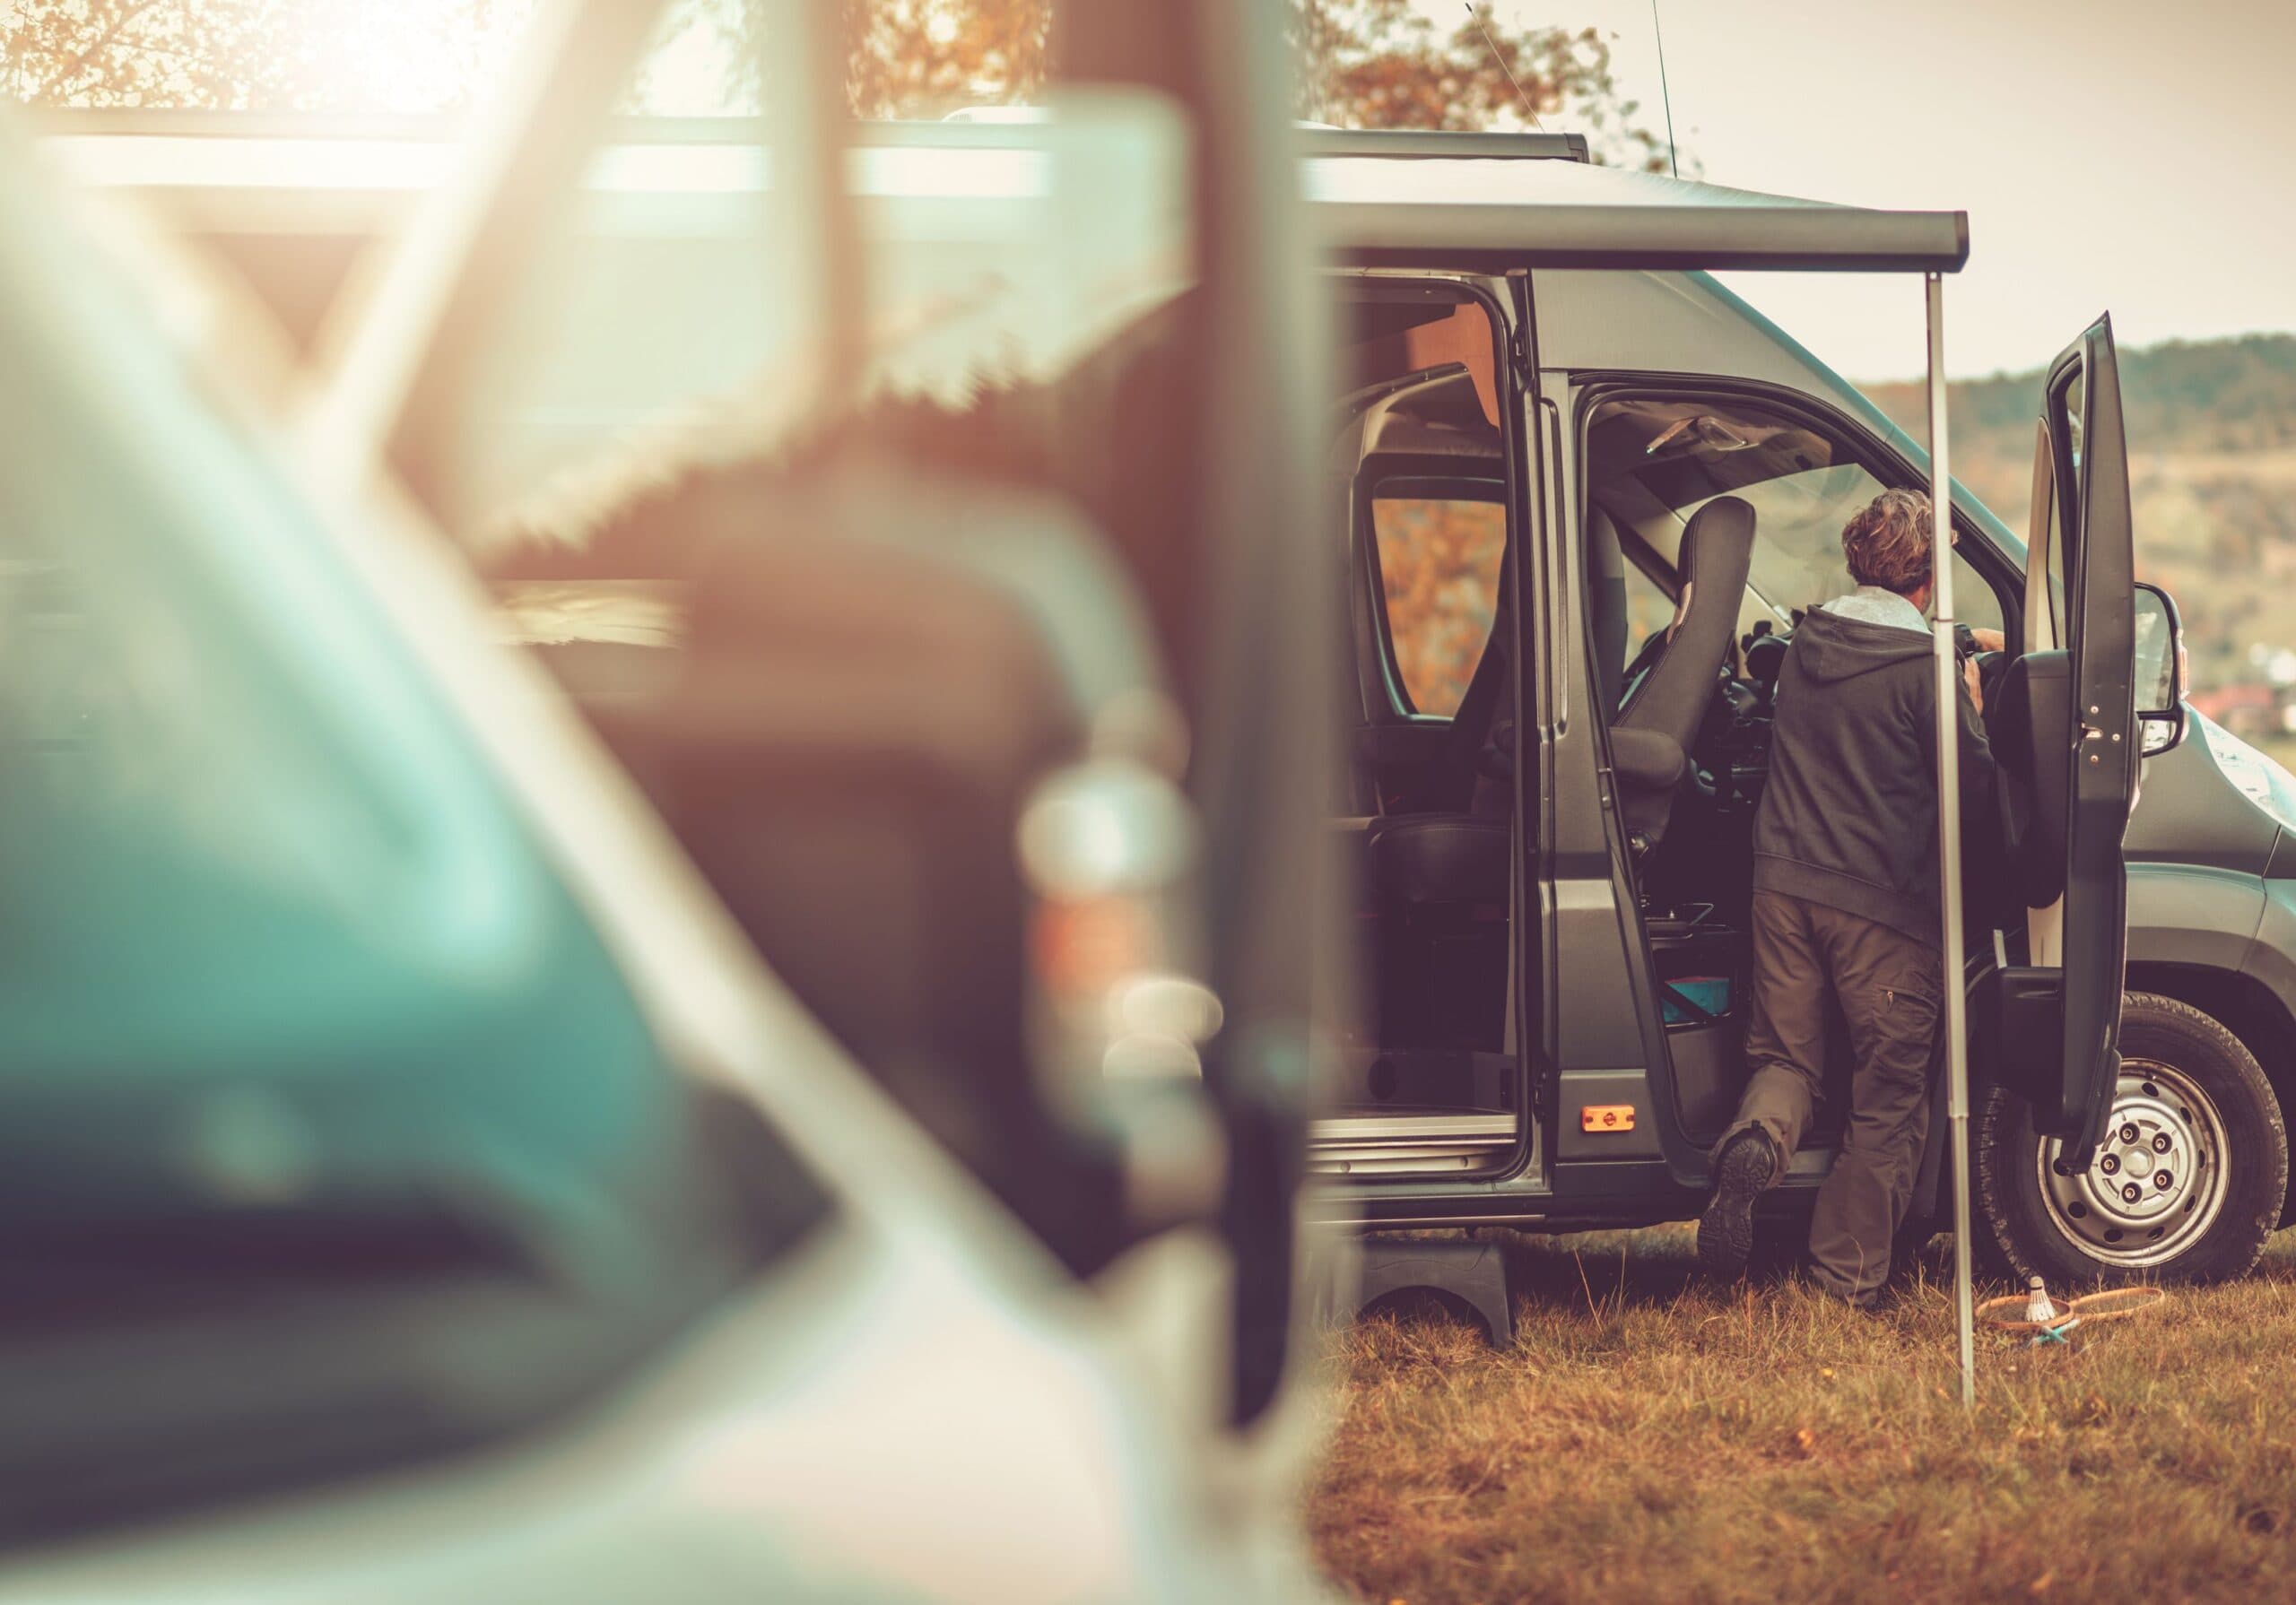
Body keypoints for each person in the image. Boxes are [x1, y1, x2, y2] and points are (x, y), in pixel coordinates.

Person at [1697, 488, 1996, 1306]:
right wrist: (1970, 702)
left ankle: (1755, 1144)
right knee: (1888, 1095)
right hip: (1883, 911)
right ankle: (1842, 1283)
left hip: (1783, 888)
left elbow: (1880, 650)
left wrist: (1963, 644)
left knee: (1787, 1059)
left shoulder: (1808, 644)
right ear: (1930, 577)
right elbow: (1975, 795)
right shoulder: (1927, 677)